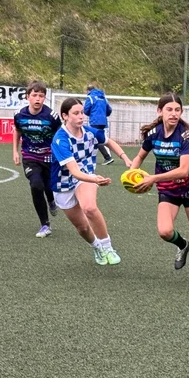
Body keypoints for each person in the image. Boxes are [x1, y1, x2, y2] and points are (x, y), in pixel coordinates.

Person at [129, 93, 189, 285]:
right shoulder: (154, 134)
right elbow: (140, 156)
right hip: (168, 190)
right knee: (165, 231)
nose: (174, 113)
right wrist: (131, 173)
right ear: (159, 111)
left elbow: (184, 171)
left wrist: (153, 178)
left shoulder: (185, 136)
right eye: (169, 109)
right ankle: (182, 245)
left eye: (177, 110)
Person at [50, 97, 120, 265]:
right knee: (82, 227)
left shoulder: (90, 132)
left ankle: (108, 247)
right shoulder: (60, 139)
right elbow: (74, 171)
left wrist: (126, 159)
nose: (81, 116)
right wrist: (94, 178)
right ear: (65, 116)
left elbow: (109, 142)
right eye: (76, 113)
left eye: (82, 112)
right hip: (63, 184)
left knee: (89, 208)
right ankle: (97, 247)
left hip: (86, 177)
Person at [12, 80, 60, 237]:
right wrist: (15, 151)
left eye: (41, 96)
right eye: (34, 95)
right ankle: (45, 225)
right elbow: (17, 131)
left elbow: (60, 135)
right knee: (36, 185)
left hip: (49, 157)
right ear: (27, 97)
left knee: (48, 186)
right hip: (30, 156)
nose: (38, 99)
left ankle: (51, 200)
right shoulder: (19, 115)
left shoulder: (52, 116)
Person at [83, 82, 116, 164]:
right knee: (99, 138)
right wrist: (103, 115)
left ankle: (107, 157)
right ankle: (103, 156)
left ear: (88, 91)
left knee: (95, 139)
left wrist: (91, 114)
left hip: (95, 121)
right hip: (103, 121)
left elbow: (86, 110)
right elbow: (109, 110)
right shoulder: (103, 97)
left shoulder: (90, 97)